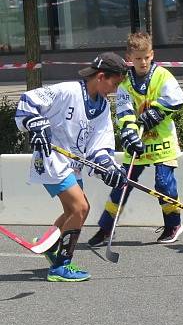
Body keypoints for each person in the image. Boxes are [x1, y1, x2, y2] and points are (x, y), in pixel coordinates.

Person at [14, 52, 129, 282]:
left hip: (72, 164)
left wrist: (109, 169)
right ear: (101, 76)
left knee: (71, 211)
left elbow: (100, 147)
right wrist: (36, 124)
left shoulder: (103, 107)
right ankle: (60, 266)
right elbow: (27, 101)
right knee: (81, 208)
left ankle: (49, 244)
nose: (115, 90)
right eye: (114, 84)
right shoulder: (68, 91)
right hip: (51, 159)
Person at [88, 32, 183, 246]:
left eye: (146, 57)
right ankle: (106, 228)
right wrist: (130, 132)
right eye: (138, 58)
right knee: (122, 183)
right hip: (138, 141)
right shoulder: (125, 82)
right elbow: (124, 110)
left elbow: (177, 99)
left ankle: (173, 224)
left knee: (164, 184)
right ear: (129, 58)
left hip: (163, 140)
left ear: (152, 55)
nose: (142, 62)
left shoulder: (162, 75)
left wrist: (157, 112)